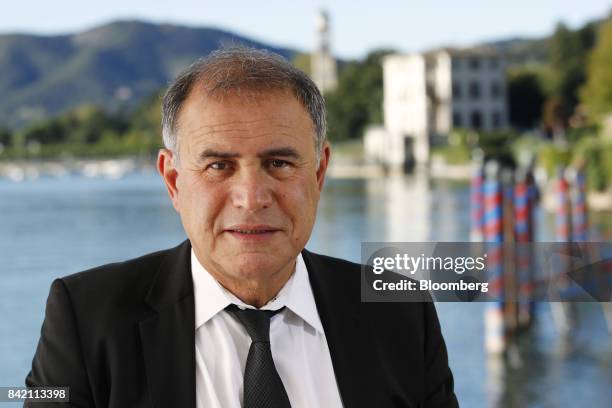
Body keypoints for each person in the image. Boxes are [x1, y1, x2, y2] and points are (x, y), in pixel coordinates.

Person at [25, 47, 458, 408]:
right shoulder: (86, 319)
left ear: (320, 173)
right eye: (218, 166)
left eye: (279, 163)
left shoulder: (403, 312)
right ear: (174, 181)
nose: (251, 198)